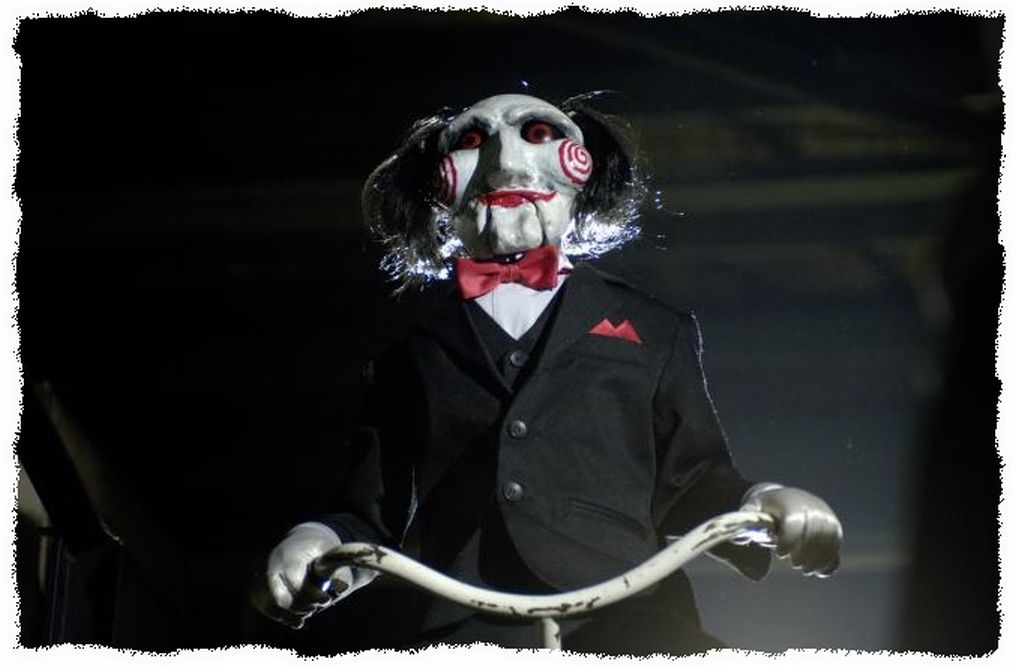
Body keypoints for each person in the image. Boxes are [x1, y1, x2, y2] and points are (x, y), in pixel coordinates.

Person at [251, 92, 843, 654]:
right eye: (473, 141)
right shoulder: (407, 352)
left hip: (631, 615)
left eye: (537, 133)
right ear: (438, 192)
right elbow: (369, 515)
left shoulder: (655, 329)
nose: (506, 161)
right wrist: (317, 543)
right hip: (463, 625)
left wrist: (763, 503)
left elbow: (691, 481)